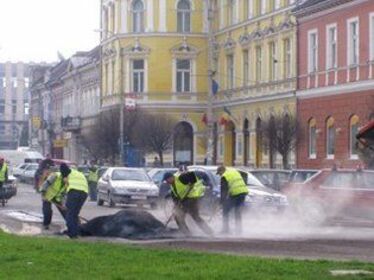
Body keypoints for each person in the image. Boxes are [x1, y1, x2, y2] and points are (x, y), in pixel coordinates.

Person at [163, 171, 213, 236]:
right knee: (194, 217)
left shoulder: (180, 178)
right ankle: (209, 232)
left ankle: (188, 234)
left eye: (167, 180)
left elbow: (192, 174)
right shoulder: (172, 185)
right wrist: (175, 206)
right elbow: (175, 197)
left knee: (179, 216)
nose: (166, 182)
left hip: (191, 198)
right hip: (186, 200)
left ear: (171, 177)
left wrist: (192, 184)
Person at [216, 166, 249, 234]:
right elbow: (245, 175)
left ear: (221, 171)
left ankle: (226, 229)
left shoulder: (225, 176)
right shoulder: (234, 171)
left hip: (236, 194)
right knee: (237, 212)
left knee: (225, 210)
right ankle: (239, 230)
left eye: (219, 173)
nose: (220, 175)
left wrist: (221, 202)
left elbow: (224, 191)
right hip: (243, 192)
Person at [60, 163, 88, 239]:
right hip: (84, 193)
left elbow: (63, 166)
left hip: (74, 192)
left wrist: (64, 176)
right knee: (75, 213)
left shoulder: (68, 172)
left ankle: (72, 234)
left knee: (70, 214)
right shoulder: (79, 174)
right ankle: (76, 232)